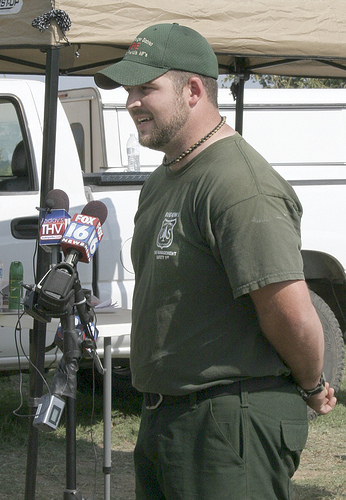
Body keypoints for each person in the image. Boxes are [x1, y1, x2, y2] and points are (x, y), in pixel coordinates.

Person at [95, 23, 337, 500]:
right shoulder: (166, 176)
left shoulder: (239, 183)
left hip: (227, 425)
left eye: (147, 88)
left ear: (193, 89)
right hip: (169, 417)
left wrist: (312, 384)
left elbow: (288, 311)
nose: (131, 103)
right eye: (128, 91)